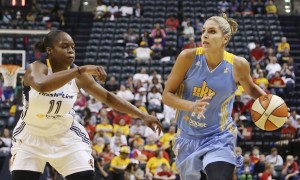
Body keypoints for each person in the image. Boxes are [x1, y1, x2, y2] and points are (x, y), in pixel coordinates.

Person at [10, 30, 162, 180]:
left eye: (73, 47)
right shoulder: (37, 67)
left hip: (65, 135)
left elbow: (108, 97)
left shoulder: (80, 76)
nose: (71, 50)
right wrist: (80, 69)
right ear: (50, 51)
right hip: (30, 136)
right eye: (64, 46)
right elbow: (41, 85)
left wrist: (142, 115)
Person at [162, 13, 266, 180]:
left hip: (219, 136)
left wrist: (273, 104)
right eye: (203, 31)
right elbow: (166, 96)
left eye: (211, 31)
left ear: (225, 39)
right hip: (187, 138)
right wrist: (191, 106)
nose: (205, 35)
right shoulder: (187, 57)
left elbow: (252, 89)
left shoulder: (237, 64)